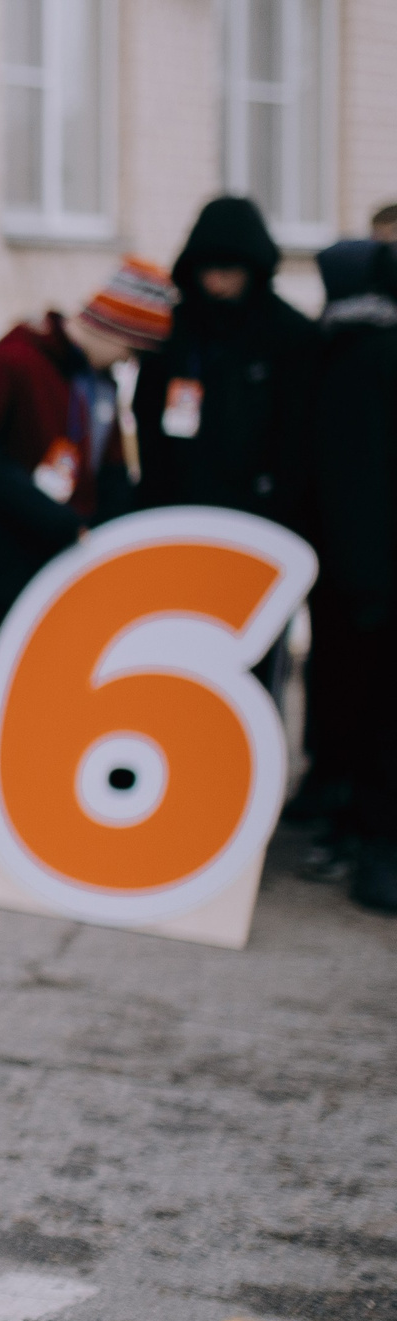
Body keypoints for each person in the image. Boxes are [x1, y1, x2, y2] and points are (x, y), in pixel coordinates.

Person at [0, 257, 177, 661]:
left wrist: (113, 535)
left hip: (63, 569)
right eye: (131, 348)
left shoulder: (100, 386)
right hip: (0, 572)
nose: (128, 362)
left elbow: (113, 474)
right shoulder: (12, 360)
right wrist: (52, 516)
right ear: (110, 328)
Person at [133, 197, 318, 531]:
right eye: (207, 269)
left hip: (264, 516)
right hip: (180, 510)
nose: (215, 282)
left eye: (227, 270)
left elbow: (299, 435)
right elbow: (147, 417)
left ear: (252, 268)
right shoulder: (174, 332)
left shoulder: (288, 334)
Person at [310, 240, 397, 913]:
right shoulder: (358, 355)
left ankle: (365, 837)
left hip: (352, 567)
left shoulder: (338, 354)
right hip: (363, 568)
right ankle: (367, 839)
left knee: (364, 710)